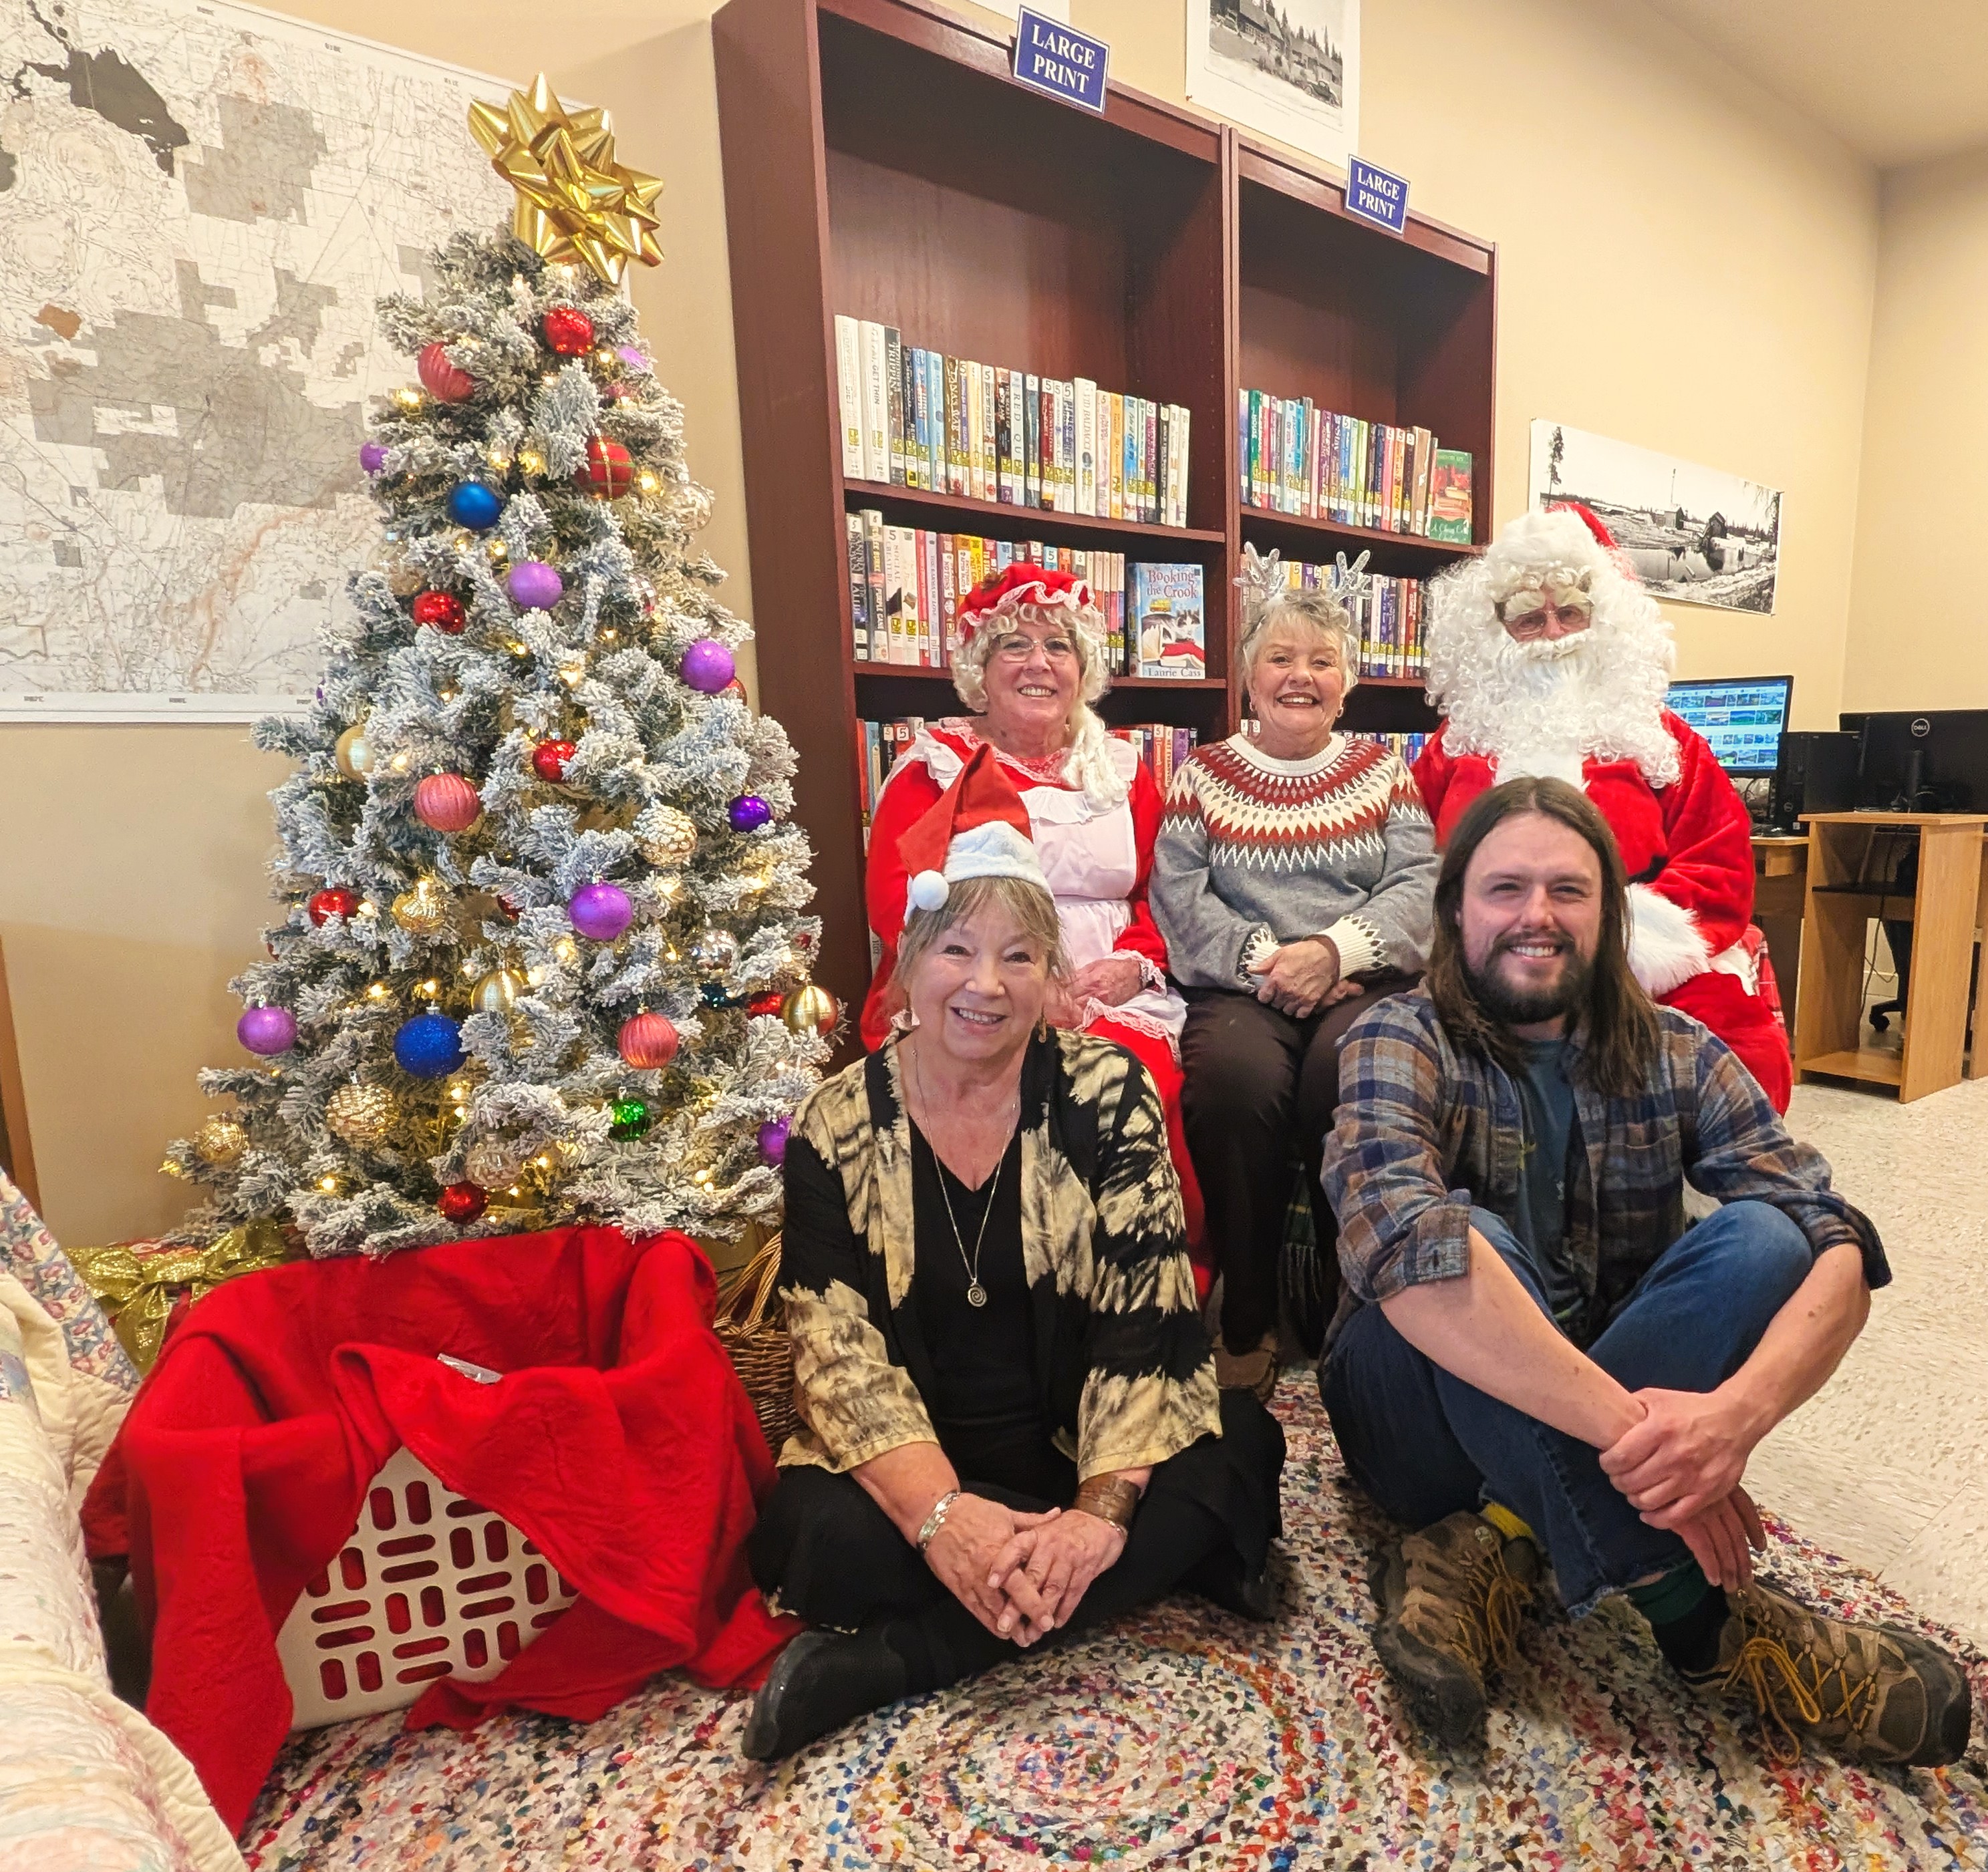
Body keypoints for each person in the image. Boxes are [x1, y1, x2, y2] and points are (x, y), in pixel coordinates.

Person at [1318, 774, 1970, 1769]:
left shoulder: (1680, 1050)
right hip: (1409, 1416)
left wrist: (1731, 1420)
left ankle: (1492, 1539)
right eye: (1503, 889)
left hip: (1584, 1379)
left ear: (1609, 913)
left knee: (1769, 1239)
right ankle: (1707, 1628)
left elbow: (1838, 1242)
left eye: (1566, 890)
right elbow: (1398, 1241)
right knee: (1459, 1239)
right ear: (1455, 911)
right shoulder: (1394, 1035)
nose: (1535, 916)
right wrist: (1657, 1458)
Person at [745, 745, 1286, 1762]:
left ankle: (900, 1658)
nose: (984, 987)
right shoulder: (833, 1119)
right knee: (816, 1526)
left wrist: (1091, 1515)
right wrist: (945, 1517)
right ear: (906, 962)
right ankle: (1107, 1574)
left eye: (1019, 958)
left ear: (1051, 977)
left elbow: (1148, 1314)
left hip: (1076, 1436)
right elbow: (836, 1352)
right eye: (954, 950)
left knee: (1235, 1449)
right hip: (925, 1451)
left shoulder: (1107, 1091)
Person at [860, 563, 1207, 1283]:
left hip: (1110, 988)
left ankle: (1157, 1276)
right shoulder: (934, 767)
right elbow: (901, 906)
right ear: (978, 671)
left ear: (1082, 671)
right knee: (1042, 1084)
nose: (1038, 663)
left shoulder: (1119, 768)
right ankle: (1036, 1284)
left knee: (1138, 1078)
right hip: (971, 987)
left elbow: (1160, 895)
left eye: (1059, 646)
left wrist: (1131, 965)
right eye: (1013, 645)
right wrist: (1021, 982)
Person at [1149, 554, 1437, 1394]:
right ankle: (1249, 1314)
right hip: (1242, 986)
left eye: (1320, 661)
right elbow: (1178, 899)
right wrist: (1269, 963)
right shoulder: (1199, 774)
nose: (1299, 677)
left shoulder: (1385, 772)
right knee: (1235, 1087)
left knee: (1347, 1076)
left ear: (1345, 683)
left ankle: (1350, 1302)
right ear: (1247, 677)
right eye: (1280, 658)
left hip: (1362, 979)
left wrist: (1333, 953)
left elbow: (1418, 890)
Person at [1414, 504, 1792, 1110]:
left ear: (1606, 620)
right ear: (1490, 634)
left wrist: (1618, 942)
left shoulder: (1664, 743)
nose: (1553, 637)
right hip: (1481, 955)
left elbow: (1718, 865)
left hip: (1634, 952)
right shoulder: (1452, 748)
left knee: (1738, 1048)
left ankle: (1705, 1196)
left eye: (1570, 613)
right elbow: (1410, 859)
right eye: (1527, 620)